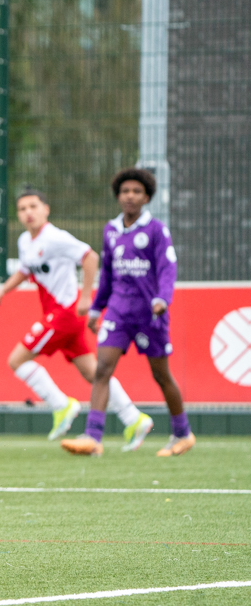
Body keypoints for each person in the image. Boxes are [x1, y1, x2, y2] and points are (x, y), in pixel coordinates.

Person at [0, 190, 153, 449]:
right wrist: (3, 291)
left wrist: (86, 296)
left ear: (46, 209)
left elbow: (90, 257)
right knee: (93, 372)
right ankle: (134, 418)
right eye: (22, 209)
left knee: (16, 360)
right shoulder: (25, 241)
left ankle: (61, 405)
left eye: (33, 206)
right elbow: (24, 270)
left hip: (65, 313)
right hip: (60, 316)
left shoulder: (55, 238)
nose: (28, 212)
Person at [61, 169, 195, 457]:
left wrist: (162, 299)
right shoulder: (111, 230)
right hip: (119, 313)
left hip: (150, 314)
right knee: (102, 369)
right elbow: (107, 274)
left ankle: (183, 433)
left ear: (146, 197)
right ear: (118, 196)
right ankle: (92, 437)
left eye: (136, 191)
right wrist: (97, 309)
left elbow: (167, 269)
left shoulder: (156, 230)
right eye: (125, 191)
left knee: (161, 375)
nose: (130, 196)